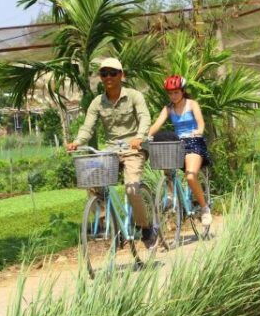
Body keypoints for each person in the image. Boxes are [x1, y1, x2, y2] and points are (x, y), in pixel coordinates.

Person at [66, 57, 155, 247]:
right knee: (92, 182)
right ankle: (110, 224)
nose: (108, 77)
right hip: (111, 151)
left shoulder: (134, 96)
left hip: (134, 149)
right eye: (104, 73)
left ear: (121, 75)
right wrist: (77, 142)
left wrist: (139, 137)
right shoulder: (97, 102)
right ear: (100, 77)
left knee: (131, 188)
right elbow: (87, 127)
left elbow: (144, 118)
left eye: (113, 73)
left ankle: (145, 227)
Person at [148, 75, 212, 226]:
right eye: (170, 93)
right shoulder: (168, 108)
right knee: (164, 158)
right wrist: (146, 136)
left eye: (176, 92)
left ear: (183, 91)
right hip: (178, 144)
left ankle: (204, 208)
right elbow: (157, 124)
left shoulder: (192, 104)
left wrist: (198, 131)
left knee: (190, 176)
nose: (173, 96)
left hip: (193, 141)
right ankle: (171, 194)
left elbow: (201, 123)